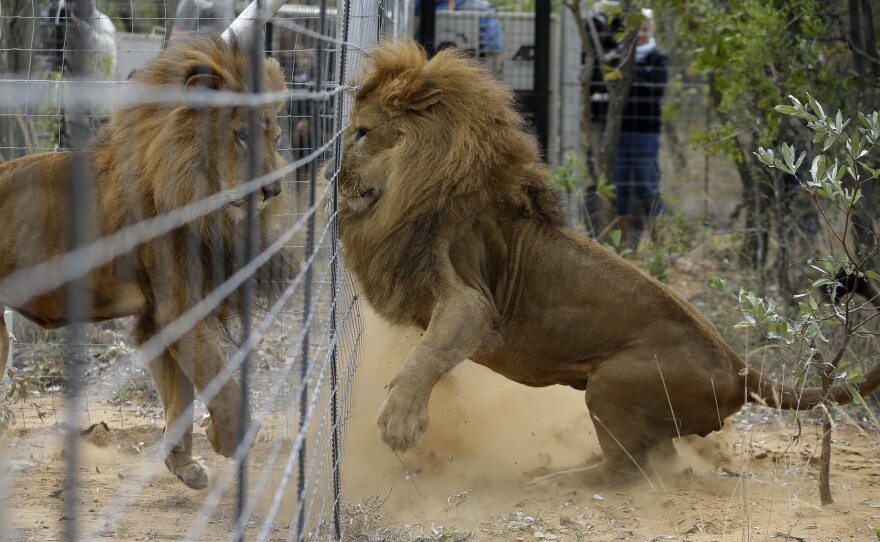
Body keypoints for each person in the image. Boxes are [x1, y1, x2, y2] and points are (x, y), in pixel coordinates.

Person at [609, 10, 668, 246]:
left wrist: (627, 73)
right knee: (619, 188)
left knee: (647, 186)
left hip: (646, 133)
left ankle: (661, 243)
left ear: (651, 31)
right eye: (636, 31)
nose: (641, 35)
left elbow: (655, 92)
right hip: (617, 134)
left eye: (645, 30)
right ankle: (621, 245)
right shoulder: (618, 58)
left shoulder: (658, 58)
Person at [59, 0, 117, 149]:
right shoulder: (68, 24)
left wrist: (79, 26)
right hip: (75, 108)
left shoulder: (103, 23)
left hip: (99, 107)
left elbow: (102, 49)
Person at [170, 0, 236, 37]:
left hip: (224, 48)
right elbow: (176, 31)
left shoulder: (228, 3)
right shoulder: (191, 2)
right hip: (197, 49)